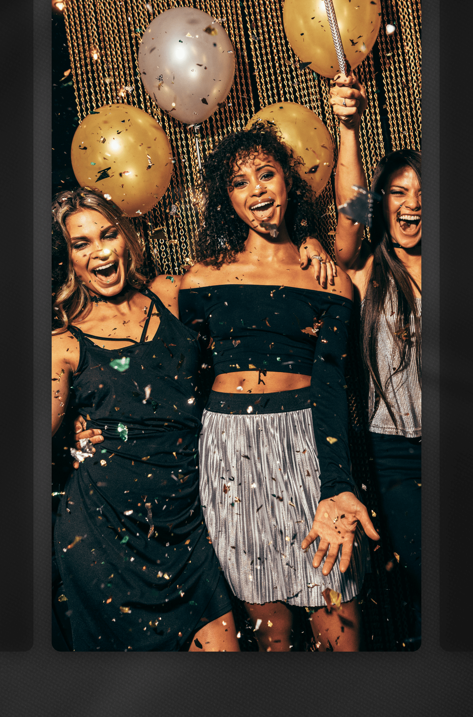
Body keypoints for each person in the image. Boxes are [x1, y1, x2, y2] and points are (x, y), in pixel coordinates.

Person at [179, 122, 379, 652]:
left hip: (307, 446)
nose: (257, 190)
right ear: (227, 198)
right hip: (227, 452)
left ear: (288, 182)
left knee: (339, 629)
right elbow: (177, 381)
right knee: (273, 640)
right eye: (240, 182)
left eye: (266, 174)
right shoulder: (199, 280)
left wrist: (335, 483)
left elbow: (333, 386)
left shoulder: (327, 276)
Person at [52, 187, 241, 652]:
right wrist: (68, 446)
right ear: (69, 259)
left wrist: (310, 244)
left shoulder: (170, 295)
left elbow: (250, 281)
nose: (100, 252)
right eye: (82, 244)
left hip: (188, 526)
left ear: (126, 237)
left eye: (107, 235)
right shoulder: (63, 343)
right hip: (104, 537)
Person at [329, 72, 421, 646]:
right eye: (399, 192)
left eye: (424, 193)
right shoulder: (365, 273)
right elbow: (348, 210)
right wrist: (347, 128)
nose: (413, 205)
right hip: (397, 459)